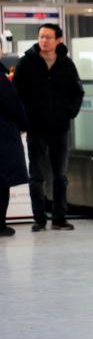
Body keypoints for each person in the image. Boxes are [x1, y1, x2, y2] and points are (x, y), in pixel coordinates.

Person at [13, 23, 84, 231]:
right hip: (35, 127)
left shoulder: (66, 64)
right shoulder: (26, 63)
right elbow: (16, 94)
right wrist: (23, 120)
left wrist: (69, 112)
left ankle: (59, 218)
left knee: (60, 175)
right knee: (36, 176)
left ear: (58, 40)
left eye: (48, 37)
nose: (44, 40)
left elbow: (78, 92)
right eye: (41, 36)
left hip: (60, 128)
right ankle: (39, 218)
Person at [0, 54, 29, 237]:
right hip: (3, 137)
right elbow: (14, 106)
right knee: (2, 183)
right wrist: (24, 125)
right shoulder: (2, 81)